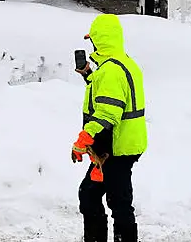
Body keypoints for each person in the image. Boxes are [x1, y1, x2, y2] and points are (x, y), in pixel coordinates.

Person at [71, 14, 147, 242]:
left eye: (93, 40)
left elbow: (108, 112)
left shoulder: (110, 71)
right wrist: (88, 76)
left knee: (117, 201)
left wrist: (84, 139)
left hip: (115, 147)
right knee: (91, 195)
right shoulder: (124, 63)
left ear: (99, 41)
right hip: (119, 145)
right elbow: (111, 97)